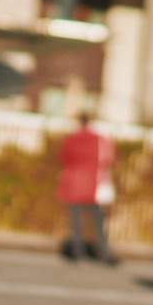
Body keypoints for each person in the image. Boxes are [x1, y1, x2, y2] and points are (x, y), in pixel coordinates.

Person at [56, 111, 118, 264]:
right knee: (98, 221)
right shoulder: (100, 139)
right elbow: (109, 158)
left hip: (74, 182)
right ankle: (104, 252)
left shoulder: (72, 138)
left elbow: (64, 157)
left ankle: (78, 251)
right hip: (94, 183)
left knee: (76, 221)